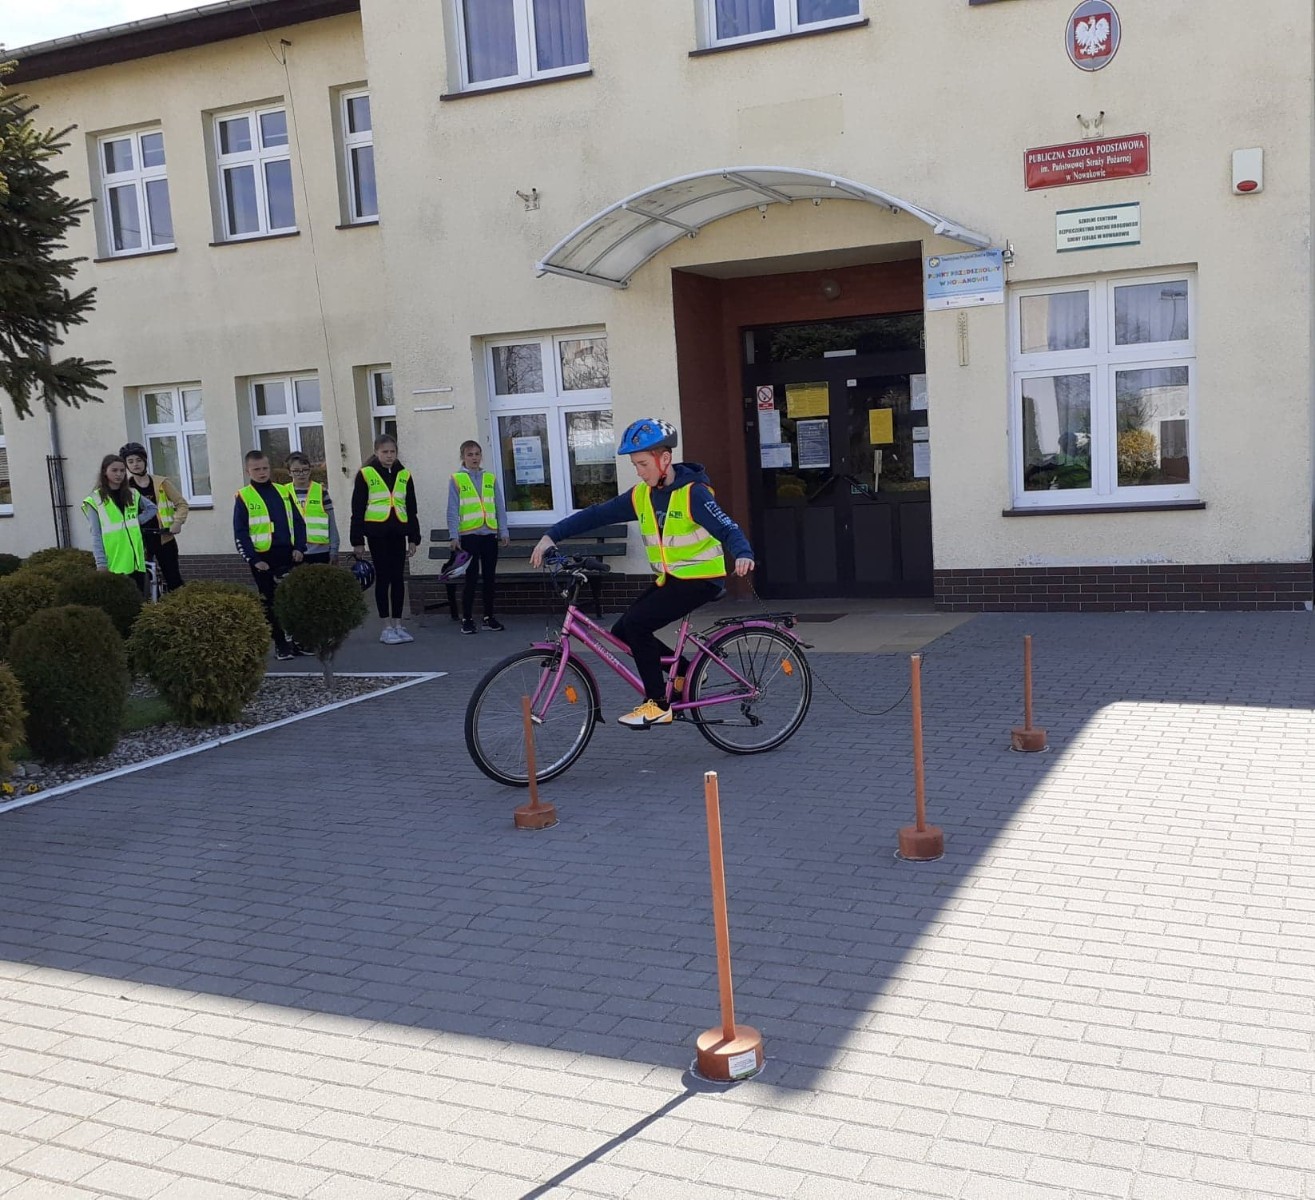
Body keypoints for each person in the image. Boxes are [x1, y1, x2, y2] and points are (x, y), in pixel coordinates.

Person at [530, 418, 754, 729]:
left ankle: (658, 704)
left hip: (701, 580)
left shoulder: (694, 493)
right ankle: (685, 673)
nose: (639, 471)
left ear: (665, 459)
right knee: (622, 631)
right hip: (672, 579)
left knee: (637, 624)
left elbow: (727, 526)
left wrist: (743, 552)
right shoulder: (642, 495)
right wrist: (552, 535)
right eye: (636, 464)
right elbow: (598, 514)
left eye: (643, 463)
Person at [233, 449, 306, 661]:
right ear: (248, 471)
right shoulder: (244, 497)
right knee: (271, 603)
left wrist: (300, 547)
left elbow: (299, 522)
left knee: (292, 600)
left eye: (265, 468)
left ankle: (298, 640)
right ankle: (281, 643)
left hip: (289, 554)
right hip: (263, 558)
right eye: (256, 469)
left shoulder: (283, 491)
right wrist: (254, 560)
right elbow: (240, 532)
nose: (262, 472)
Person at [350, 434, 420, 644]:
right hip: (376, 533)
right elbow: (357, 508)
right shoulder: (366, 474)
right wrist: (357, 541)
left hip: (398, 532)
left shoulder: (404, 475)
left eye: (392, 452)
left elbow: (411, 508)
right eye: (385, 452)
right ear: (376, 453)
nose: (389, 456)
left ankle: (398, 624)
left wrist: (413, 538)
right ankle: (386, 626)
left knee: (398, 578)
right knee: (384, 578)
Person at [446, 439, 509, 635]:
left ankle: (489, 617)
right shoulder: (457, 479)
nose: (474, 458)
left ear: (481, 456)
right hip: (469, 536)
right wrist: (453, 535)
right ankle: (467, 618)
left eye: (477, 454)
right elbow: (452, 509)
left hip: (489, 534)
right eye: (470, 454)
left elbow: (499, 506)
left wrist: (504, 530)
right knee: (471, 578)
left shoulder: (490, 478)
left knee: (489, 578)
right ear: (463, 457)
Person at [119, 441, 189, 592]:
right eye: (130, 461)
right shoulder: (125, 488)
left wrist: (177, 522)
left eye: (138, 460)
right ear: (126, 465)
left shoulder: (161, 483)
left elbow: (181, 504)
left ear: (145, 461)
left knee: (173, 579)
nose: (135, 464)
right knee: (139, 582)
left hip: (164, 537)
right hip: (139, 540)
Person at [83, 454, 157, 593]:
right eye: (114, 470)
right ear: (105, 472)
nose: (119, 474)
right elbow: (96, 535)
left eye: (122, 471)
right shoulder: (94, 500)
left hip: (136, 563)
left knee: (139, 604)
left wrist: (137, 521)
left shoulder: (133, 494)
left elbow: (152, 508)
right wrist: (101, 564)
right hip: (114, 564)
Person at [282, 452, 339, 565]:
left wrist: (334, 550)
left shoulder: (320, 490)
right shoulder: (283, 492)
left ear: (310, 470)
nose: (301, 474)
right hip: (294, 552)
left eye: (305, 470)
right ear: (289, 472)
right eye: (296, 471)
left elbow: (331, 522)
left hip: (321, 551)